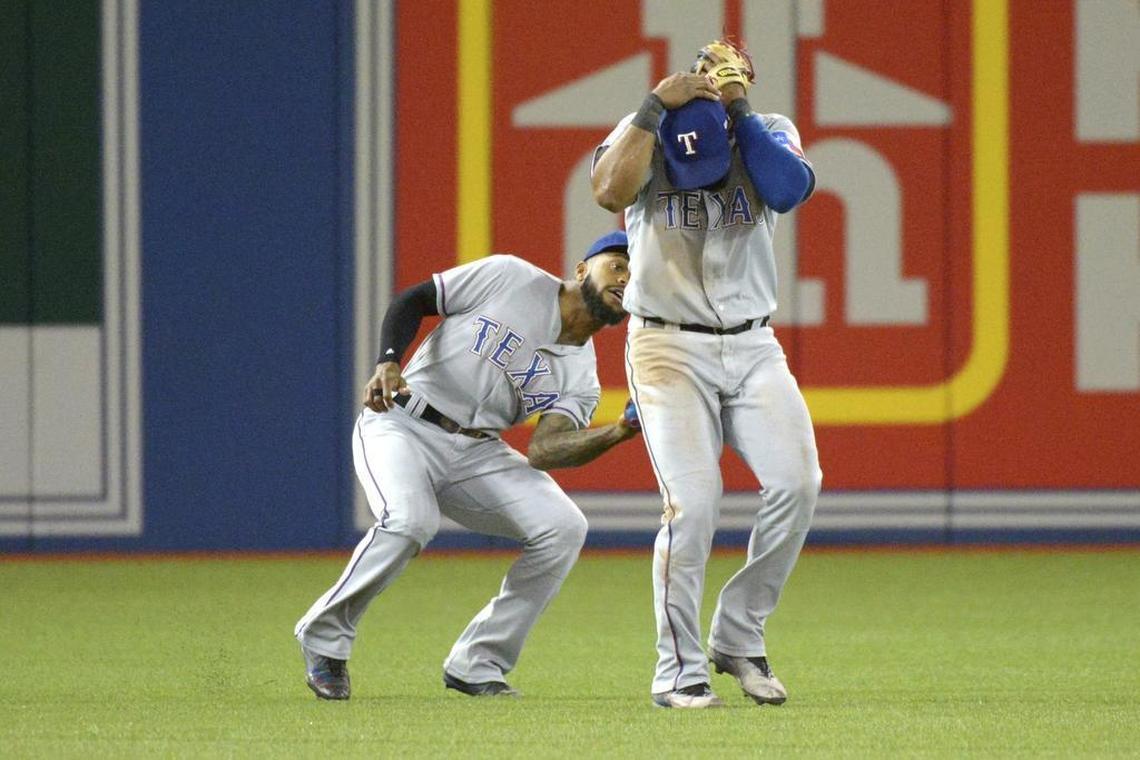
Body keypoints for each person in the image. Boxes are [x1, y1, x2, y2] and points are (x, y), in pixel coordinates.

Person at [294, 232, 641, 700]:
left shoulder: (582, 379)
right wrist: (389, 360)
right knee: (410, 520)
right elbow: (416, 299)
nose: (627, 277)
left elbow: (543, 451)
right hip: (401, 423)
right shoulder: (510, 276)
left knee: (563, 527)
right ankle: (324, 640)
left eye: (638, 274)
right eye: (617, 264)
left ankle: (478, 663)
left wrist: (617, 431)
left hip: (478, 452)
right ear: (582, 269)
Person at [591, 39, 822, 709]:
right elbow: (608, 191)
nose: (713, 87)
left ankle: (739, 635)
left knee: (798, 483)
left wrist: (740, 109)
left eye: (728, 78)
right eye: (707, 76)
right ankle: (678, 670)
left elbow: (787, 188)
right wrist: (654, 107)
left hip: (753, 345)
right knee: (692, 505)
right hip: (667, 346)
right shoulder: (650, 127)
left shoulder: (769, 131)